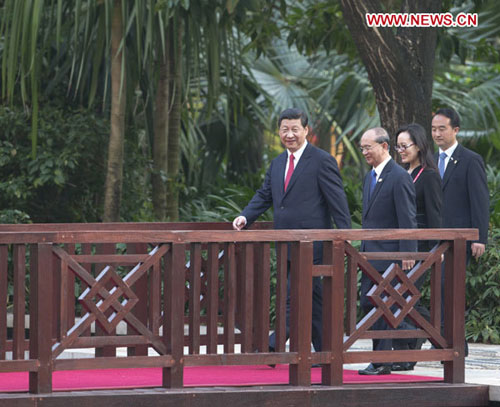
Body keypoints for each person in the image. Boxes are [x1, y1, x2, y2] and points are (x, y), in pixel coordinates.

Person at [232, 107, 351, 356]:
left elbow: (337, 202)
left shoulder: (322, 160)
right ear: (279, 131)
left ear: (306, 130)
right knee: (312, 299)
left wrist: (345, 235)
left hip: (313, 245)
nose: (290, 134)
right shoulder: (277, 163)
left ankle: (274, 344)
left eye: (295, 129)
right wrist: (245, 216)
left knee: (293, 294)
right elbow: (265, 194)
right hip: (285, 244)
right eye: (285, 129)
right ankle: (325, 351)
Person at [357, 127, 417, 376]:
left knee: (381, 308)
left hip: (390, 255)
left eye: (368, 147)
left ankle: (382, 361)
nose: (364, 152)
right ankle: (410, 339)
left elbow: (408, 218)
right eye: (362, 148)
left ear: (384, 146)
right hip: (370, 255)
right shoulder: (370, 176)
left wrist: (408, 253)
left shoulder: (399, 176)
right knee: (369, 305)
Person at [431, 108, 489, 356]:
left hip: (459, 240)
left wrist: (479, 237)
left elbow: (480, 201)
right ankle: (440, 341)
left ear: (456, 129)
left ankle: (456, 346)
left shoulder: (470, 159)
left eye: (442, 128)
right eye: (433, 129)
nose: (437, 134)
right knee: (436, 291)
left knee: (449, 290)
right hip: (433, 239)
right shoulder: (430, 161)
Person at [391, 123, 442, 371]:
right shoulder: (402, 173)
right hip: (401, 247)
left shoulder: (429, 176)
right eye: (397, 146)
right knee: (400, 297)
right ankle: (423, 339)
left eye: (405, 145)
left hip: (421, 248)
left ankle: (433, 335)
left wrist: (435, 250)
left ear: (419, 146)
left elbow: (434, 215)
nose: (400, 150)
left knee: (402, 297)